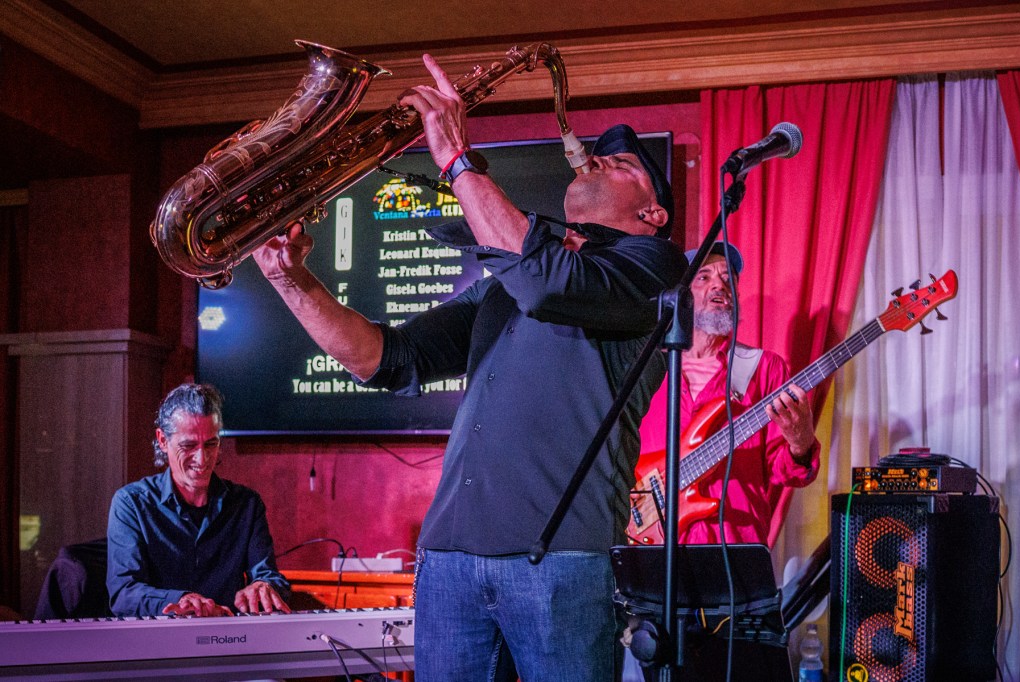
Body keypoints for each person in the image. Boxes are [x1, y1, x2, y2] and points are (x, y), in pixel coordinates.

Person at [252, 53, 686, 681]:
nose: (592, 159)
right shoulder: (507, 283)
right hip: (449, 560)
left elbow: (547, 280)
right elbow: (385, 359)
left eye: (619, 164)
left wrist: (458, 160)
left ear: (652, 216)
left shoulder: (652, 269)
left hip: (561, 563)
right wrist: (293, 284)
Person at [637, 242, 820, 546]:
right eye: (704, 277)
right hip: (649, 544)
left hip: (732, 544)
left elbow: (784, 472)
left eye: (728, 278)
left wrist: (800, 444)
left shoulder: (763, 368)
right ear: (681, 296)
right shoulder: (648, 368)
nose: (719, 285)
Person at [106, 383, 291, 617]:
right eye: (189, 445)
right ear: (163, 440)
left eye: (211, 444)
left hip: (229, 641)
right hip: (160, 642)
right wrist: (181, 600)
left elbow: (269, 576)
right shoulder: (131, 503)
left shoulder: (246, 504)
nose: (202, 458)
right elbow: (124, 594)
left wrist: (265, 587)